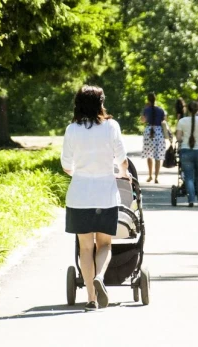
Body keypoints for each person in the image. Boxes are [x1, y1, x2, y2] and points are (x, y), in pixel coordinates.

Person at [61, 85, 129, 312]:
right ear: (101, 103)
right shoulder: (111, 126)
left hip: (79, 196)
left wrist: (80, 172)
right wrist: (123, 173)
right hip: (105, 195)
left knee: (85, 248)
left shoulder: (72, 129)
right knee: (105, 244)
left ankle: (91, 298)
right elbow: (122, 159)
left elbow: (66, 165)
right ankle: (100, 276)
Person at [176, 101, 198, 207]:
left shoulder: (181, 121)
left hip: (186, 150)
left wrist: (185, 140)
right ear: (197, 109)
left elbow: (178, 138)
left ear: (188, 109)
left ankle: (191, 200)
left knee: (188, 177)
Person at [140, 92, 167, 184]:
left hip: (149, 131)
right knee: (157, 156)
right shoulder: (160, 110)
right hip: (158, 131)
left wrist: (144, 110)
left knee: (149, 155)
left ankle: (150, 175)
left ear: (148, 99)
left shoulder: (146, 109)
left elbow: (142, 121)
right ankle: (156, 177)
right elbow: (164, 120)